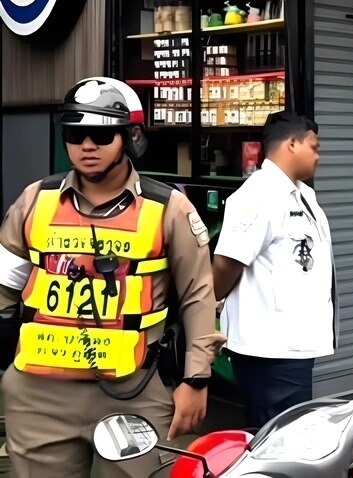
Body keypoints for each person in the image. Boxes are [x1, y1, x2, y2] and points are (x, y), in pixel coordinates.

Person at [0, 77, 224, 478]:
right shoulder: (34, 199)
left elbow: (198, 298)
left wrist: (196, 379)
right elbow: (3, 288)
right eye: (75, 133)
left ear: (131, 137)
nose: (87, 145)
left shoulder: (168, 208)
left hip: (134, 391)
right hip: (38, 394)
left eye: (102, 134)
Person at [211, 111, 336, 428]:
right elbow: (227, 261)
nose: (318, 156)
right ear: (292, 144)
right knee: (280, 438)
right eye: (314, 147)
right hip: (270, 349)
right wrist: (212, 301)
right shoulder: (258, 194)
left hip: (293, 345)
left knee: (290, 435)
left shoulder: (303, 194)